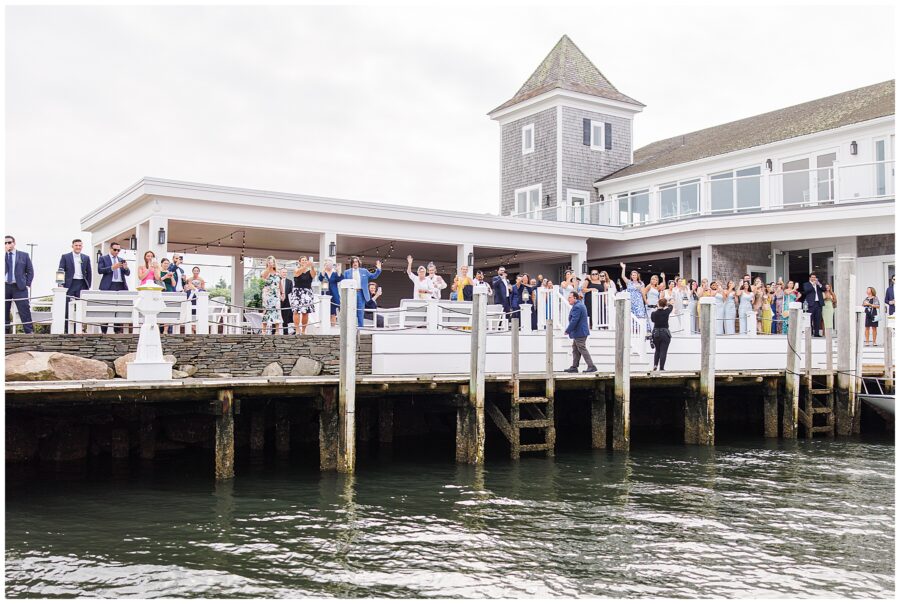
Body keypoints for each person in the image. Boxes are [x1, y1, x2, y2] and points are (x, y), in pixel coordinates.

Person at [57, 238, 92, 333]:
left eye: (80, 245)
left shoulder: (86, 257)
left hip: (81, 284)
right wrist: (60, 283)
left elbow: (89, 272)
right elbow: (61, 270)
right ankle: (67, 329)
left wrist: (88, 285)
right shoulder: (65, 257)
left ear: (82, 246)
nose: (78, 247)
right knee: (67, 306)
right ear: (72, 246)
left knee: (81, 306)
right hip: (70, 283)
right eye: (76, 245)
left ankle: (79, 328)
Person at [97, 242, 130, 333]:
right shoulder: (103, 258)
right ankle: (104, 331)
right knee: (106, 308)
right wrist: (112, 268)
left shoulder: (121, 259)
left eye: (118, 250)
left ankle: (118, 330)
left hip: (120, 285)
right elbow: (100, 270)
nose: (117, 252)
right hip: (108, 285)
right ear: (110, 249)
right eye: (115, 249)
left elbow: (127, 273)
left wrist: (126, 268)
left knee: (119, 308)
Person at [5, 235, 34, 334]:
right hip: (5, 286)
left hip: (19, 287)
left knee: (24, 309)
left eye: (9, 242)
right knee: (4, 310)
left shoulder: (23, 255)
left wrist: (27, 284)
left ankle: (29, 331)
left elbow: (30, 271)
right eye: (5, 243)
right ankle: (5, 332)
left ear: (14, 243)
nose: (7, 244)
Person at [342, 256, 382, 327]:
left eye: (356, 262)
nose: (355, 263)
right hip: (351, 293)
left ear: (358, 263)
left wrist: (378, 269)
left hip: (361, 293)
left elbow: (374, 276)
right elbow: (344, 283)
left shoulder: (364, 271)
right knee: (351, 310)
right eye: (353, 262)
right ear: (351, 263)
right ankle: (350, 327)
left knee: (360, 311)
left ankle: (361, 328)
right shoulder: (347, 272)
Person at [563, 291, 596, 373]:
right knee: (575, 349)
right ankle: (574, 367)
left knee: (581, 348)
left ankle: (591, 366)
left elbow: (574, 320)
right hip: (580, 332)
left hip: (580, 332)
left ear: (575, 298)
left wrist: (568, 330)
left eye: (570, 297)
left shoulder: (577, 306)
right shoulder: (579, 305)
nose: (568, 299)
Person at [290, 256, 317, 335]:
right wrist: (305, 266)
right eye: (303, 260)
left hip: (307, 292)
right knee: (296, 311)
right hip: (297, 292)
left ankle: (304, 330)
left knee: (305, 312)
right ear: (299, 262)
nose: (304, 261)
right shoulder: (296, 269)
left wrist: (312, 266)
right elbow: (297, 273)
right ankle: (297, 329)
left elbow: (313, 275)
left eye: (306, 260)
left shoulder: (309, 271)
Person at [317, 258, 343, 328]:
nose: (330, 266)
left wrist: (338, 271)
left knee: (333, 311)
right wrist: (323, 270)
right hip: (325, 292)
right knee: (325, 310)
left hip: (334, 293)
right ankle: (326, 326)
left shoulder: (334, 273)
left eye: (331, 264)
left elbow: (340, 279)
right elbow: (320, 279)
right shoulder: (323, 273)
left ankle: (333, 326)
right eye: (328, 264)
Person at [260, 256, 282, 335]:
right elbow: (264, 278)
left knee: (277, 310)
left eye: (272, 262)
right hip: (267, 294)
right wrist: (268, 269)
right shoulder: (264, 271)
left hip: (276, 294)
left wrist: (282, 293)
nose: (270, 263)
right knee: (266, 310)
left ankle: (277, 330)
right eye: (269, 262)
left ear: (274, 263)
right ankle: (264, 330)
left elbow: (280, 283)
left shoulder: (278, 273)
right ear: (267, 263)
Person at [650, 298, 674, 371]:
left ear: (658, 304)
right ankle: (661, 368)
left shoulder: (653, 313)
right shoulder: (666, 311)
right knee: (663, 351)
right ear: (665, 305)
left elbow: (653, 320)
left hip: (656, 333)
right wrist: (666, 304)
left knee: (657, 350)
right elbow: (671, 306)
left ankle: (655, 365)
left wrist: (657, 307)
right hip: (664, 333)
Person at [800, 273, 825, 337]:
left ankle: (816, 333)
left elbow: (824, 289)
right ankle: (809, 333)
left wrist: (819, 284)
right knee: (809, 319)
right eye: (812, 277)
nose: (814, 278)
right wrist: (813, 285)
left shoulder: (818, 284)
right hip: (810, 303)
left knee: (818, 319)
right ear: (810, 278)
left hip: (818, 303)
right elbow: (806, 291)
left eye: (815, 277)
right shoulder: (806, 284)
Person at [185, 266, 206, 334]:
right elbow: (187, 287)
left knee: (197, 311)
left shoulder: (202, 280)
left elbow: (203, 289)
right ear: (192, 271)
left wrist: (199, 289)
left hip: (198, 297)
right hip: (191, 296)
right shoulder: (189, 279)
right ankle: (192, 327)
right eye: (195, 270)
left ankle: (195, 327)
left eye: (197, 271)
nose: (196, 272)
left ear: (199, 272)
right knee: (191, 310)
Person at [280, 267, 294, 334]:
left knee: (285, 318)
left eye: (286, 272)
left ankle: (285, 332)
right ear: (280, 273)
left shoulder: (290, 282)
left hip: (286, 302)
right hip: (278, 301)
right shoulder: (277, 280)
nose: (285, 273)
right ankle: (273, 331)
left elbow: (291, 292)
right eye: (283, 272)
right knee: (276, 316)